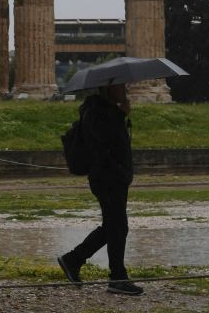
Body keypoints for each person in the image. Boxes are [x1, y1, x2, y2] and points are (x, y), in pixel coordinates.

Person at [56, 83, 144, 296]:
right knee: (117, 226)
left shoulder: (105, 111)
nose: (124, 89)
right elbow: (102, 143)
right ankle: (117, 277)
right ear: (107, 89)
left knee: (114, 226)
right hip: (106, 177)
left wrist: (120, 115)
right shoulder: (96, 112)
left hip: (114, 176)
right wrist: (120, 114)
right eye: (119, 86)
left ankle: (74, 260)